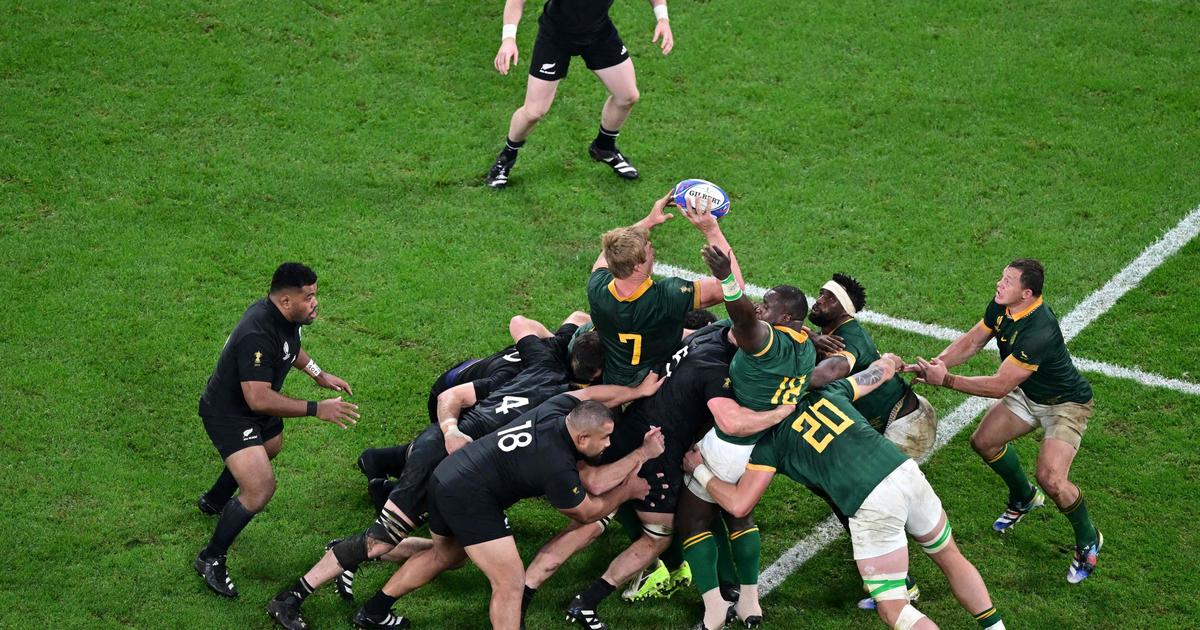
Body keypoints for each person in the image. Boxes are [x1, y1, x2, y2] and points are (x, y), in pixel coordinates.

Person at [266, 323, 648, 630]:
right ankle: (293, 595)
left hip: (456, 460)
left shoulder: (536, 375)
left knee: (450, 554)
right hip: (445, 456)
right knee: (381, 539)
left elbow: (550, 329)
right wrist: (451, 432)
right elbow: (453, 400)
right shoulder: (561, 402)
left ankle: (372, 601)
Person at [686, 360, 1008, 630]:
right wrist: (891, 361)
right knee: (950, 557)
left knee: (893, 608)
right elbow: (877, 373)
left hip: (872, 503)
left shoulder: (770, 444)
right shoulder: (828, 392)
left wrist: (699, 470)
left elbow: (739, 503)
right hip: (904, 473)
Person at [520, 321, 791, 629]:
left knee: (593, 521)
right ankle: (584, 600)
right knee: (658, 533)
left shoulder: (708, 333)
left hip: (630, 427)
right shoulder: (716, 371)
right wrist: (781, 412)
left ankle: (542, 595)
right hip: (658, 447)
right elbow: (731, 423)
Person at [351, 395, 661, 630]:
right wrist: (628, 490)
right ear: (582, 438)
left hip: (448, 475)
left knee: (445, 556)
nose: (609, 443)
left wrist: (635, 390)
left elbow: (592, 393)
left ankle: (374, 611)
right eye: (605, 437)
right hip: (472, 498)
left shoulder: (554, 409)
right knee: (511, 583)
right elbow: (586, 513)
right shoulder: (555, 465)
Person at [908, 259, 1102, 583]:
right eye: (1002, 276)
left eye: (1008, 281)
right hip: (1028, 393)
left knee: (1051, 478)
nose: (999, 283)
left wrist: (946, 380)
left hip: (1064, 404)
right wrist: (935, 365)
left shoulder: (1038, 331)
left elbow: (1000, 385)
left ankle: (1088, 538)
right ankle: (1023, 497)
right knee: (984, 442)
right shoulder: (1003, 307)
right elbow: (972, 341)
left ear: (1026, 293)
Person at [194, 262, 360, 598]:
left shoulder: (285, 318)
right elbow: (257, 399)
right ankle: (210, 558)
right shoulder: (257, 332)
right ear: (286, 301)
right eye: (309, 297)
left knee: (271, 445)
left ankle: (214, 500)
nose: (315, 302)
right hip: (230, 414)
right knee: (260, 487)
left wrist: (318, 374)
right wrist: (317, 409)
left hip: (253, 409)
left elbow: (291, 348)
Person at [679, 244, 816, 629]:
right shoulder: (805, 346)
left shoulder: (764, 344)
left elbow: (741, 319)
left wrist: (726, 278)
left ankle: (715, 608)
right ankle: (750, 603)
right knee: (742, 519)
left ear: (784, 317)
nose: (760, 307)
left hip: (729, 444)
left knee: (694, 521)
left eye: (767, 305)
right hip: (766, 446)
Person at [356, 311, 592, 507]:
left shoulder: (562, 346)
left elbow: (579, 316)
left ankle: (380, 460)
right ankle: (403, 494)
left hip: (469, 370)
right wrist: (450, 430)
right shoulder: (520, 380)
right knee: (475, 452)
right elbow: (454, 397)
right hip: (450, 393)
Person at [806, 273, 933, 610]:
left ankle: (903, 586)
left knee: (868, 502)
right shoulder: (829, 334)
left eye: (828, 298)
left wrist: (788, 378)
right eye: (820, 294)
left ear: (844, 311)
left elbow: (828, 373)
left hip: (904, 426)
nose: (818, 301)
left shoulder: (848, 341)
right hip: (892, 418)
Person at [485, 0, 675, 188]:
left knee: (627, 96)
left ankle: (604, 147)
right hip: (555, 37)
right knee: (534, 111)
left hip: (599, 33)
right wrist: (508, 38)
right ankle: (506, 157)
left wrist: (662, 19)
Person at [589, 193, 742, 387]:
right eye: (648, 247)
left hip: (615, 380)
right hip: (657, 380)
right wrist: (712, 230)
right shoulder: (669, 295)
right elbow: (735, 287)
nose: (652, 248)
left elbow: (607, 253)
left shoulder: (597, 287)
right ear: (637, 266)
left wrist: (649, 220)